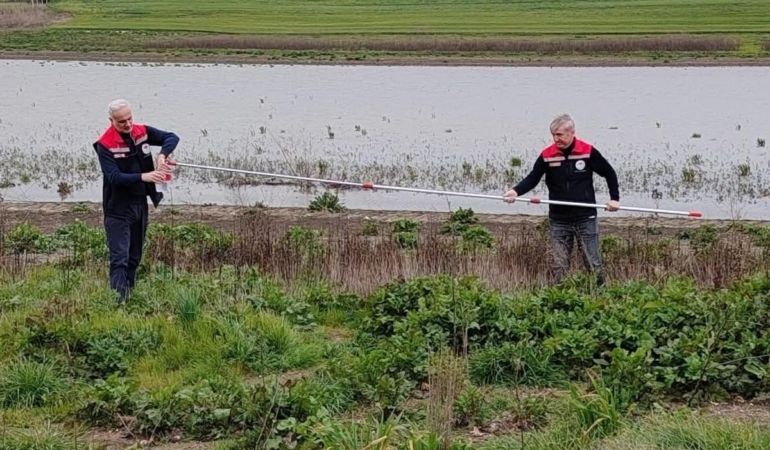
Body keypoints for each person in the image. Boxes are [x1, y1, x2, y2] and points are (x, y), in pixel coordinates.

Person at [503, 114, 620, 287]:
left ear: (572, 133)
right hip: (559, 219)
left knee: (592, 263)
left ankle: (602, 294)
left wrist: (614, 199)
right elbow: (533, 178)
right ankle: (558, 298)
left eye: (560, 135)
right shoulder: (548, 155)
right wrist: (515, 191)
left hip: (585, 217)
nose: (556, 139)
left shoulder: (587, 151)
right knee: (559, 265)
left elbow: (609, 173)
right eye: (553, 135)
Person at [94, 99, 178, 302]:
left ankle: (129, 296)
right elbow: (114, 177)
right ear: (111, 120)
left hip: (140, 204)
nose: (128, 124)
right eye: (122, 121)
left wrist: (162, 156)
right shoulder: (104, 144)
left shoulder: (142, 132)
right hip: (117, 208)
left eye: (129, 118)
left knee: (134, 256)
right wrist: (145, 176)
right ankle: (117, 303)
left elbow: (171, 137)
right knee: (119, 259)